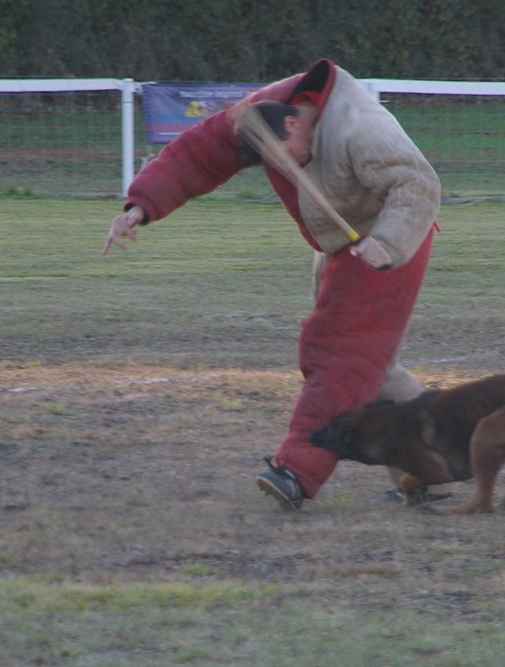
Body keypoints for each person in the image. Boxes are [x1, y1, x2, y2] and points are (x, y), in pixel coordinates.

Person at [102, 58, 441, 510]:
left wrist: (388, 243)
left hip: (389, 239)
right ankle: (437, 460)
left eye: (288, 157)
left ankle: (297, 472)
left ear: (292, 121)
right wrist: (140, 206)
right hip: (339, 245)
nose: (286, 168)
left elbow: (417, 184)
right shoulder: (260, 115)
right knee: (374, 371)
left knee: (338, 354)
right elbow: (198, 153)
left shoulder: (359, 127)